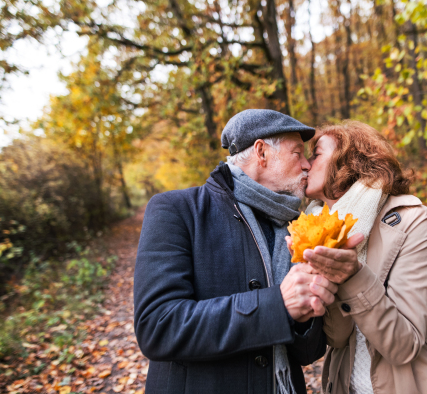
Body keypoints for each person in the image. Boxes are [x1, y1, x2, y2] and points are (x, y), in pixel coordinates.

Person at [133, 109, 351, 394]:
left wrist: (305, 316)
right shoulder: (176, 210)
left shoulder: (297, 228)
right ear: (261, 153)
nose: (307, 165)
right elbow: (157, 326)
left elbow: (308, 354)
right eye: (297, 153)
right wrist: (278, 305)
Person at [291, 121, 427, 394]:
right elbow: (337, 338)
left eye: (316, 154)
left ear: (350, 160)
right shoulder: (317, 229)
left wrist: (351, 276)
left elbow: (404, 345)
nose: (305, 164)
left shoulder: (413, 222)